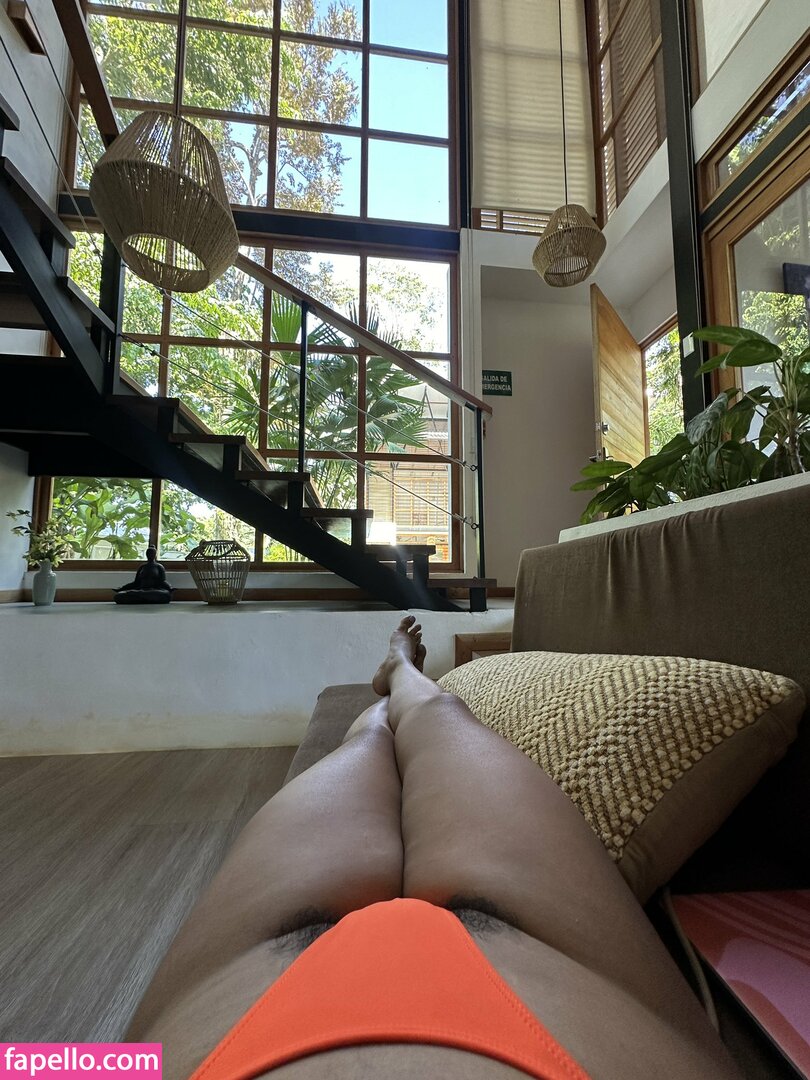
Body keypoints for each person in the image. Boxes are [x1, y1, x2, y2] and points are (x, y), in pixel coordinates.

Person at [127, 617, 741, 1080]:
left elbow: (77, 1064)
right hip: (559, 974)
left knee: (369, 744)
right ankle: (400, 674)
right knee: (440, 714)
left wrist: (77, 1064)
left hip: (228, 1008)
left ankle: (395, 675)